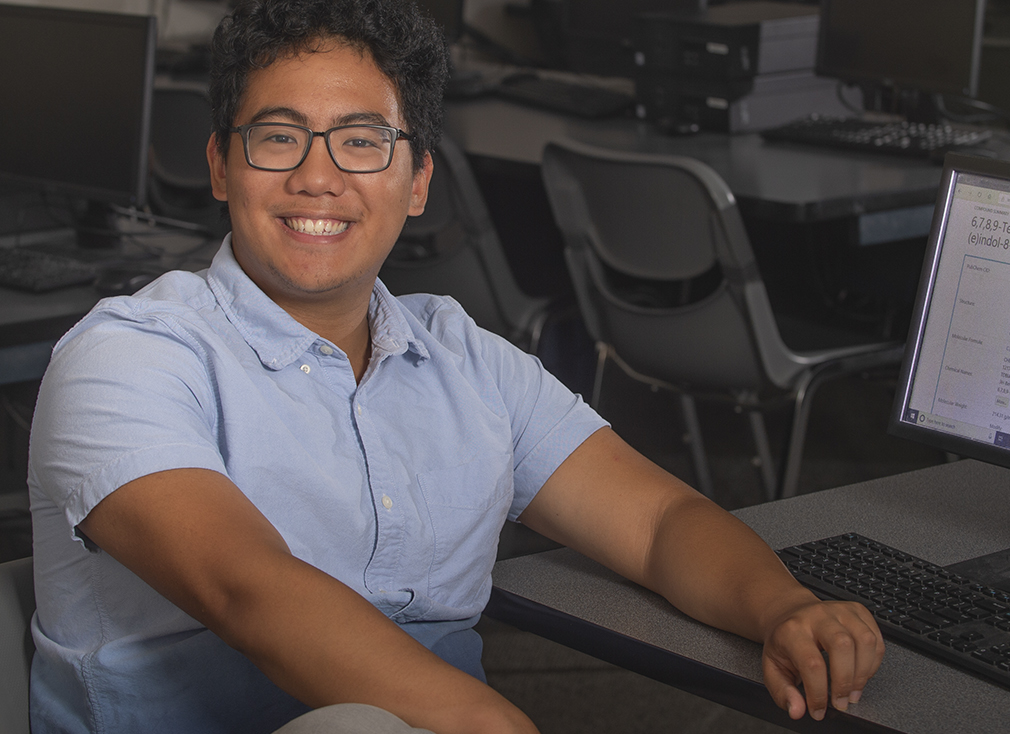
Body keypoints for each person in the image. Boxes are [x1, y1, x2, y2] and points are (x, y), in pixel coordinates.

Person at [25, 1, 884, 732]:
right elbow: (252, 594)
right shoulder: (127, 358)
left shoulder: (463, 358)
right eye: (277, 138)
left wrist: (785, 608)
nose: (318, 178)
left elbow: (658, 523)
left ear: (419, 179)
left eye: (363, 142)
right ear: (221, 164)